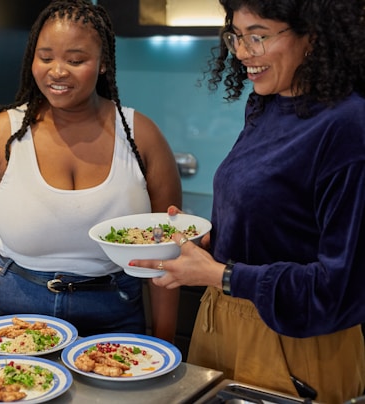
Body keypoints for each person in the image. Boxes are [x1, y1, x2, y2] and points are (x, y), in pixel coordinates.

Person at [130, 0, 365, 402]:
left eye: (257, 36)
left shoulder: (348, 127)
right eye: (237, 37)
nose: (241, 52)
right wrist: (207, 239)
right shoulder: (267, 103)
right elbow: (280, 223)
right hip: (223, 324)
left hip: (294, 345)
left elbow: (338, 292)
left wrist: (222, 274)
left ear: (312, 35)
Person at [0, 0, 182, 340]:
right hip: (7, 308)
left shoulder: (142, 137)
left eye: (76, 60)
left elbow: (166, 246)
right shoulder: (0, 134)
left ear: (103, 64)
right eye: (45, 57)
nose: (57, 71)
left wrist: (165, 339)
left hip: (111, 309)